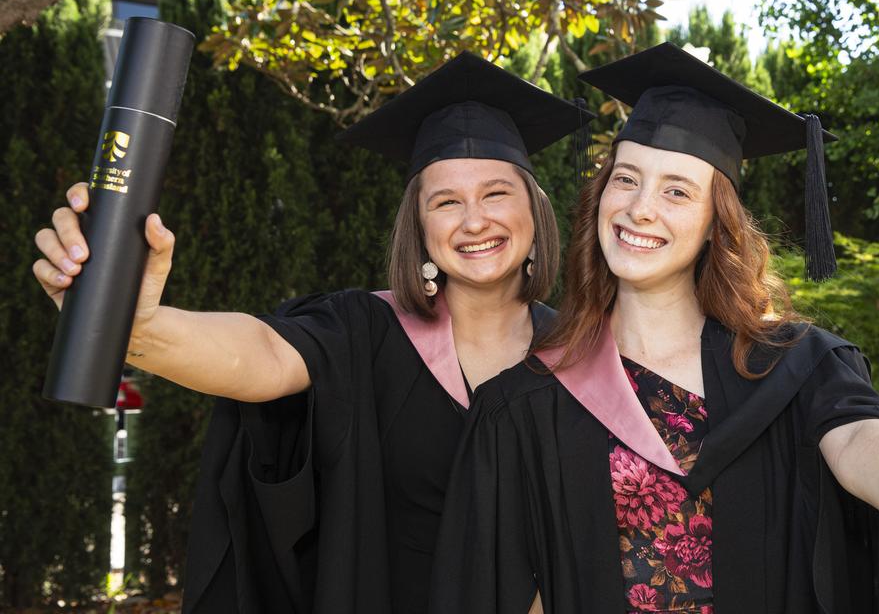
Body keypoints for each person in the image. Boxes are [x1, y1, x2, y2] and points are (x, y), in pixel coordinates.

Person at [430, 43, 879, 613]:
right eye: (626, 179)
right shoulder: (525, 402)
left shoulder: (793, 367)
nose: (640, 209)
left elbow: (862, 444)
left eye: (677, 191)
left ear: (713, 224)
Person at [31, 52, 589, 613]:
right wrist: (136, 324)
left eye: (496, 193)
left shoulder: (581, 359)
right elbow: (263, 355)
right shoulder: (365, 331)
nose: (474, 220)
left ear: (534, 212)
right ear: (420, 232)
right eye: (446, 202)